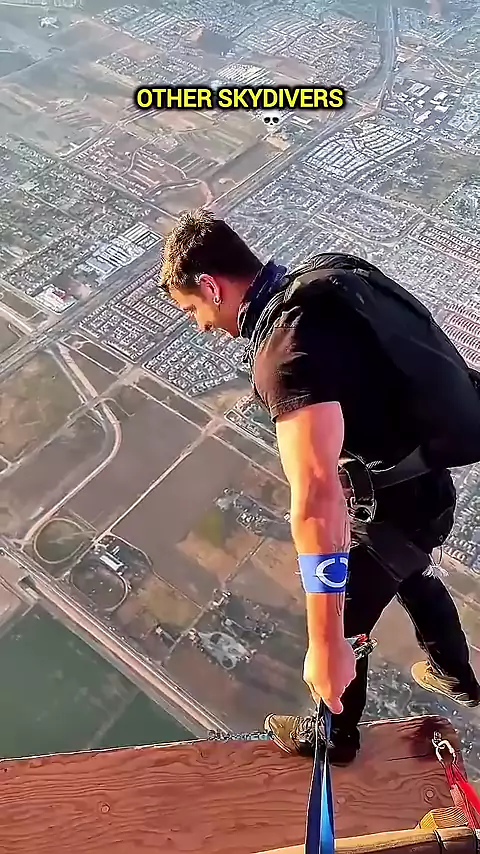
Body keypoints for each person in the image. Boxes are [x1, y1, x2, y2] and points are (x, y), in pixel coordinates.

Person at [160, 208, 480, 766]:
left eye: (193, 310)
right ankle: (455, 675)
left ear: (211, 286)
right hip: (426, 487)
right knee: (410, 571)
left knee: (344, 616)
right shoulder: (329, 277)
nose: (202, 325)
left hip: (396, 510)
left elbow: (313, 498)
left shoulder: (285, 358)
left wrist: (326, 642)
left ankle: (334, 735)